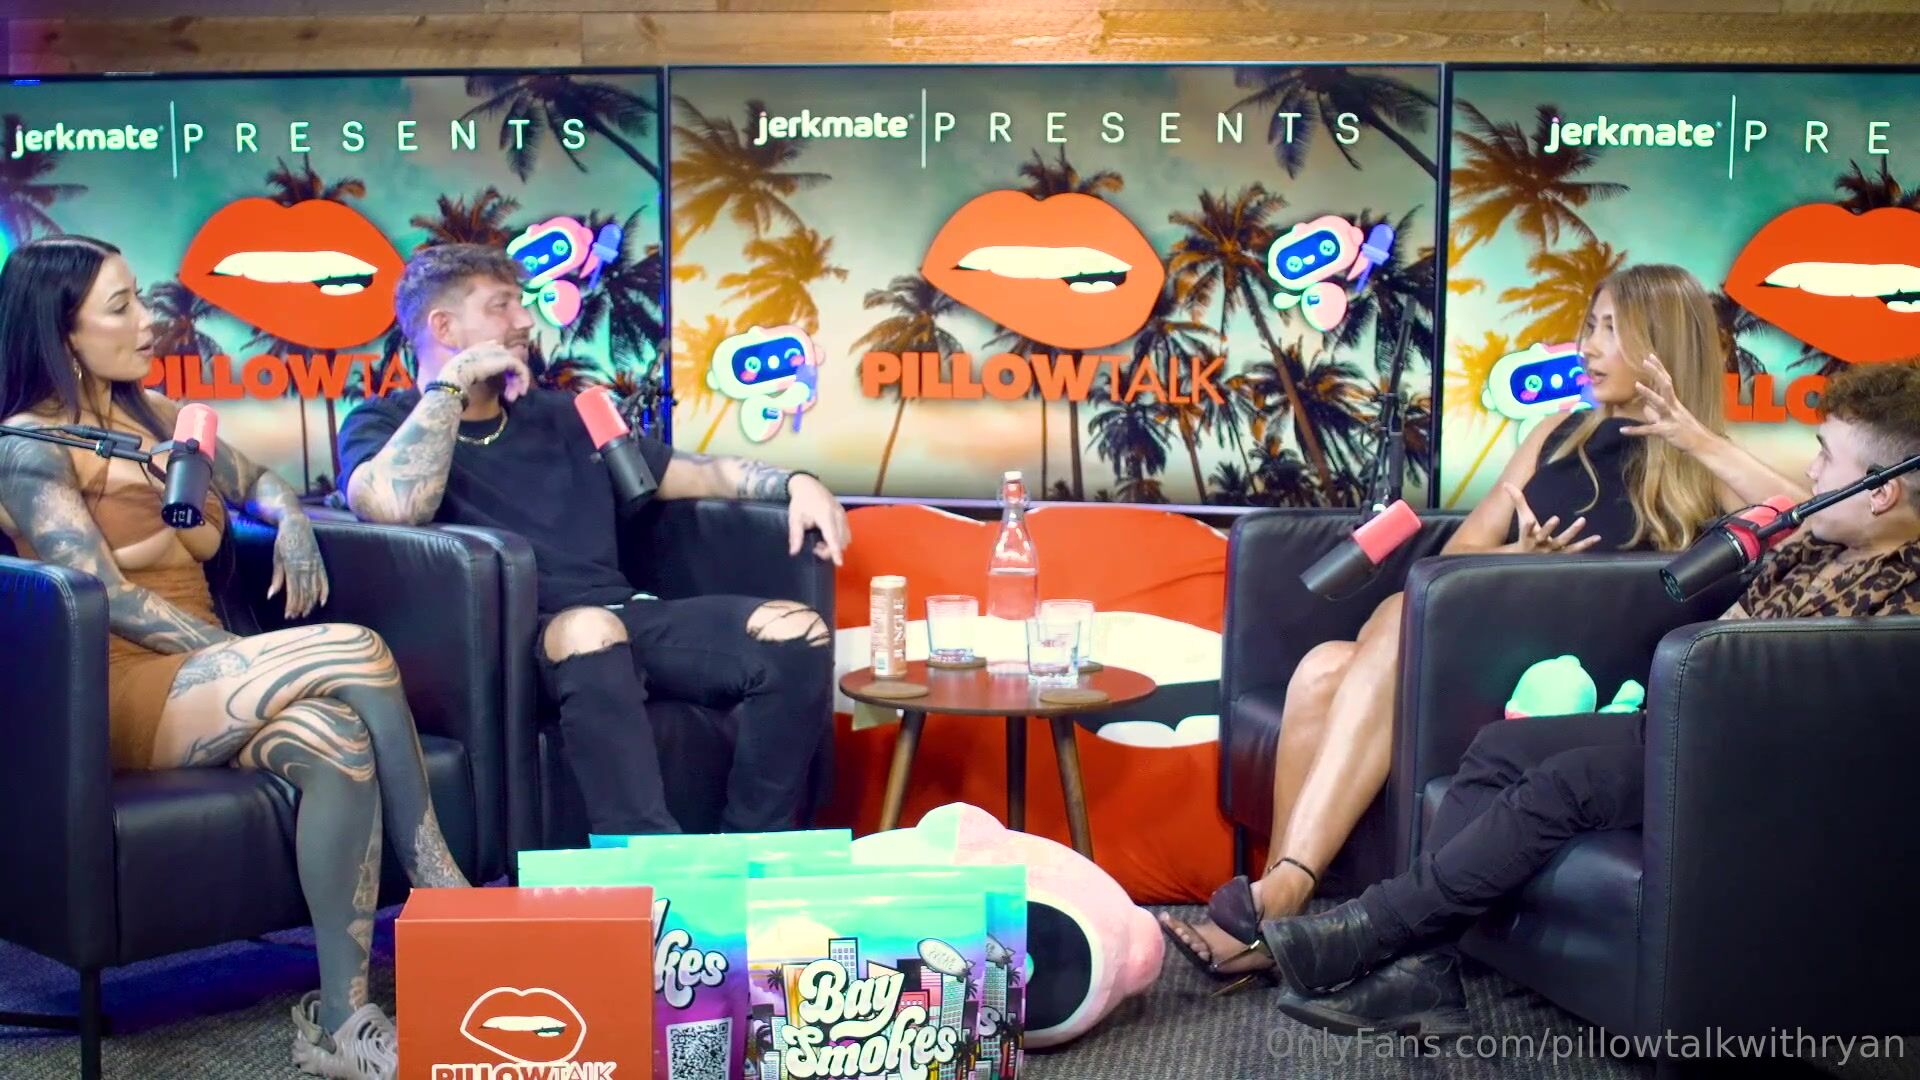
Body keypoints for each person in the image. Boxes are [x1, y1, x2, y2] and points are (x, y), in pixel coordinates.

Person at [1161, 264, 1811, 984]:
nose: (1589, 346)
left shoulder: (1704, 461)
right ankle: (1281, 908)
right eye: (1589, 325)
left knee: (1394, 622)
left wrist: (1696, 438)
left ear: (1663, 346)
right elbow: (1462, 552)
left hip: (1584, 673)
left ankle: (1284, 896)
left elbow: (1810, 522)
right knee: (1321, 669)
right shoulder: (1557, 434)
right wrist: (1521, 559)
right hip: (1497, 635)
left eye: (1612, 330)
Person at [1261, 359, 1920, 1036]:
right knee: (1500, 748)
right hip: (1689, 729)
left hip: (1751, 763)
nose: (1810, 472)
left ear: (1880, 493)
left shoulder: (1905, 590)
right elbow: (1728, 632)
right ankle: (1428, 972)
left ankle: (1374, 927)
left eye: (1826, 457)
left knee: (1569, 782)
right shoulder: (1817, 547)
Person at [0, 236, 468, 1080]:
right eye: (120, 307)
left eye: (140, 299)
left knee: (337, 740)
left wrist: (291, 523)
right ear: (62, 331)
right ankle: (445, 891)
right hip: (113, 688)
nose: (147, 321)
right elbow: (100, 591)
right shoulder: (28, 446)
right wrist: (242, 658)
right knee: (355, 649)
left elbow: (262, 481)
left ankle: (340, 1023)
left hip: (206, 683)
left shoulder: (157, 420)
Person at [336, 243, 847, 841]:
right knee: (590, 630)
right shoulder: (382, 423)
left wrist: (796, 482)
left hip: (623, 616)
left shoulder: (563, 415)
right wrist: (450, 387)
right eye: (501, 306)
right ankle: (641, 859)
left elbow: (694, 473)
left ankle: (753, 846)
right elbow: (395, 507)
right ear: (443, 328)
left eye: (522, 304)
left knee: (797, 631)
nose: (525, 321)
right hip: (508, 642)